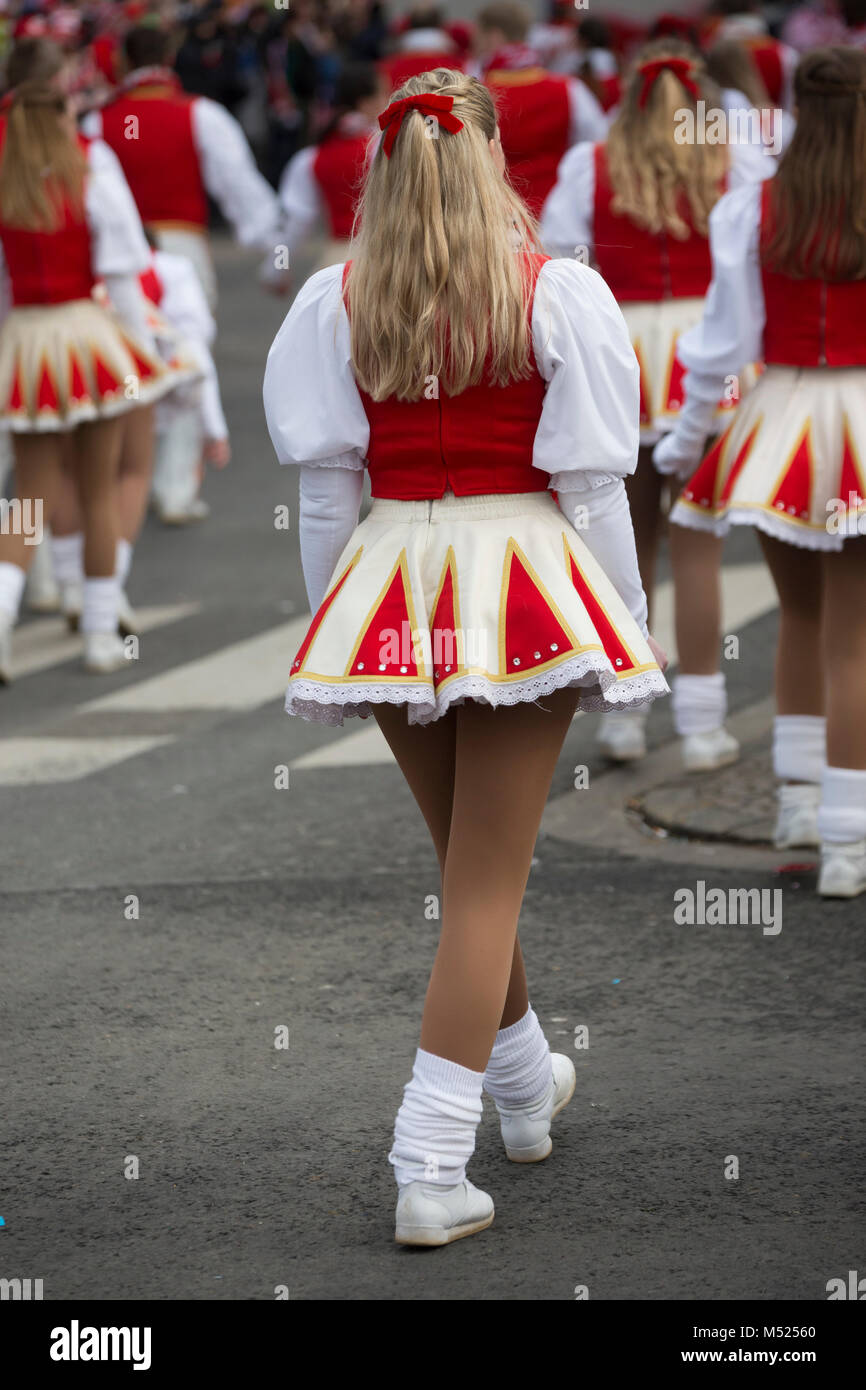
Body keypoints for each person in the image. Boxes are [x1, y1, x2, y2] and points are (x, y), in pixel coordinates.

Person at [264, 70, 668, 1246]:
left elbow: (327, 490)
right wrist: (625, 625)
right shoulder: (557, 290)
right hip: (518, 574)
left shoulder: (337, 301)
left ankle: (525, 1087)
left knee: (466, 865)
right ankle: (430, 1164)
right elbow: (592, 484)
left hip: (389, 571)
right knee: (486, 880)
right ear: (492, 162)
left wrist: (334, 626)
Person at [656, 47, 866, 899]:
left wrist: (685, 442)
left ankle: (797, 803)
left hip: (779, 418)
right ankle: (850, 844)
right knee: (857, 638)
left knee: (802, 620)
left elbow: (720, 345)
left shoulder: (752, 206)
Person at [541, 40, 770, 770]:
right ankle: (702, 722)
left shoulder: (593, 165)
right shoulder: (731, 161)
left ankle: (625, 715)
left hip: (625, 353)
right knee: (698, 541)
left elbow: (558, 261)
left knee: (623, 536)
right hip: (710, 352)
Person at [0, 80, 188, 681]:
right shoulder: (91, 181)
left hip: (26, 338)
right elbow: (126, 280)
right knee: (99, 488)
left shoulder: (7, 188)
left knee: (27, 496)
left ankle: (1, 621)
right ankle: (101, 636)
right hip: (88, 335)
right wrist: (145, 352)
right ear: (60, 118)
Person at [83, 25, 280, 309]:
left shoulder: (98, 122)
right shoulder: (202, 113)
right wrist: (271, 244)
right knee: (188, 346)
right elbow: (237, 182)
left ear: (124, 61)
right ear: (169, 57)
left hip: (122, 253)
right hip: (184, 252)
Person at [474, 1, 608, 218]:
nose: (475, 46)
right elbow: (599, 148)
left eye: (477, 38)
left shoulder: (475, 95)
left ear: (494, 36)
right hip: (554, 219)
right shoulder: (569, 89)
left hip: (493, 219)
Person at [264, 61, 384, 290]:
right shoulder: (385, 147)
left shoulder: (311, 157)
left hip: (336, 270)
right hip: (386, 263)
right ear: (365, 101)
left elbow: (292, 226)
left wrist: (277, 271)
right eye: (383, 94)